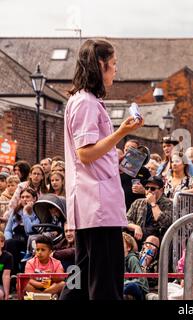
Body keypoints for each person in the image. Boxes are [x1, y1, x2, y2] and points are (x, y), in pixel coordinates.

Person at [60, 39, 144, 300]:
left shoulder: (82, 100)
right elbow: (85, 153)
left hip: (90, 209)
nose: (116, 70)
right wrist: (121, 132)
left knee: (78, 283)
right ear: (100, 64)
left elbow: (91, 154)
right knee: (105, 286)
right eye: (114, 64)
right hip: (98, 209)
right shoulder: (86, 102)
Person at [127, 176, 173, 244]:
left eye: (153, 188)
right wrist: (136, 227)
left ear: (161, 190)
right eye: (146, 188)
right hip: (137, 238)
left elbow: (165, 223)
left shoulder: (168, 203)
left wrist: (153, 204)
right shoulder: (138, 202)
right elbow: (126, 220)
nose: (149, 190)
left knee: (151, 239)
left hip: (158, 242)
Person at [4, 188, 40, 274]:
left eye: (28, 197)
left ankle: (17, 272)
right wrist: (8, 239)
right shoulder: (15, 211)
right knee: (10, 243)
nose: (24, 199)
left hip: (30, 242)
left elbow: (29, 230)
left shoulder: (38, 211)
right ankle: (13, 274)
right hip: (15, 241)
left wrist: (25, 213)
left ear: (34, 198)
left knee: (12, 244)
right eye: (22, 197)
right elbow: (8, 230)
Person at [122, 233, 149, 300]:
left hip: (139, 289)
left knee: (131, 286)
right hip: (124, 287)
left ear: (128, 247)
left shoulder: (132, 259)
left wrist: (124, 283)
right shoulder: (116, 261)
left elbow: (140, 280)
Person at [0, 231, 12, 300]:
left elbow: (6, 276)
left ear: (2, 243)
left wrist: (6, 295)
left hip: (0, 284)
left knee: (0, 295)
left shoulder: (7, 256)